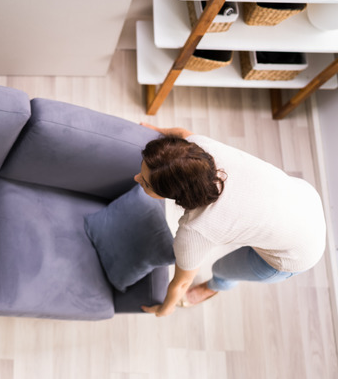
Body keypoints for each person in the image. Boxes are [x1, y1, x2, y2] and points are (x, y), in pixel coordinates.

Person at [136, 124, 326, 317]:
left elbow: (182, 282)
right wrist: (154, 129)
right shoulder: (199, 148)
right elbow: (182, 133)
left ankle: (214, 286)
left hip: (297, 254)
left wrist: (164, 309)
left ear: (175, 193)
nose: (136, 178)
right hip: (304, 198)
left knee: (222, 269)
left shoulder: (195, 230)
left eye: (145, 183)